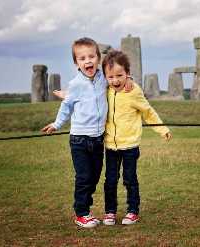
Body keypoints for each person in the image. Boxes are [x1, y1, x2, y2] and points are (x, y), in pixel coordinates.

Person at [41, 37, 133, 228]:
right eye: (82, 58)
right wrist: (57, 124)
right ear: (76, 63)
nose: (88, 61)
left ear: (99, 59)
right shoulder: (75, 84)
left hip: (98, 139)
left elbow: (116, 76)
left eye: (91, 56)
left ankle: (86, 210)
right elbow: (67, 106)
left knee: (95, 176)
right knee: (83, 177)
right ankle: (81, 213)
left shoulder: (102, 78)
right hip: (79, 140)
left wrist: (129, 79)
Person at [101, 50, 172, 226]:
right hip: (110, 145)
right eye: (110, 77)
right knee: (110, 180)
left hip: (130, 146)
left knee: (129, 179)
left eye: (120, 75)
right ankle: (110, 211)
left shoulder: (134, 92)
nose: (115, 80)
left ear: (127, 74)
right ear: (104, 76)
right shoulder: (104, 90)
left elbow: (148, 112)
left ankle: (133, 211)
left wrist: (162, 129)